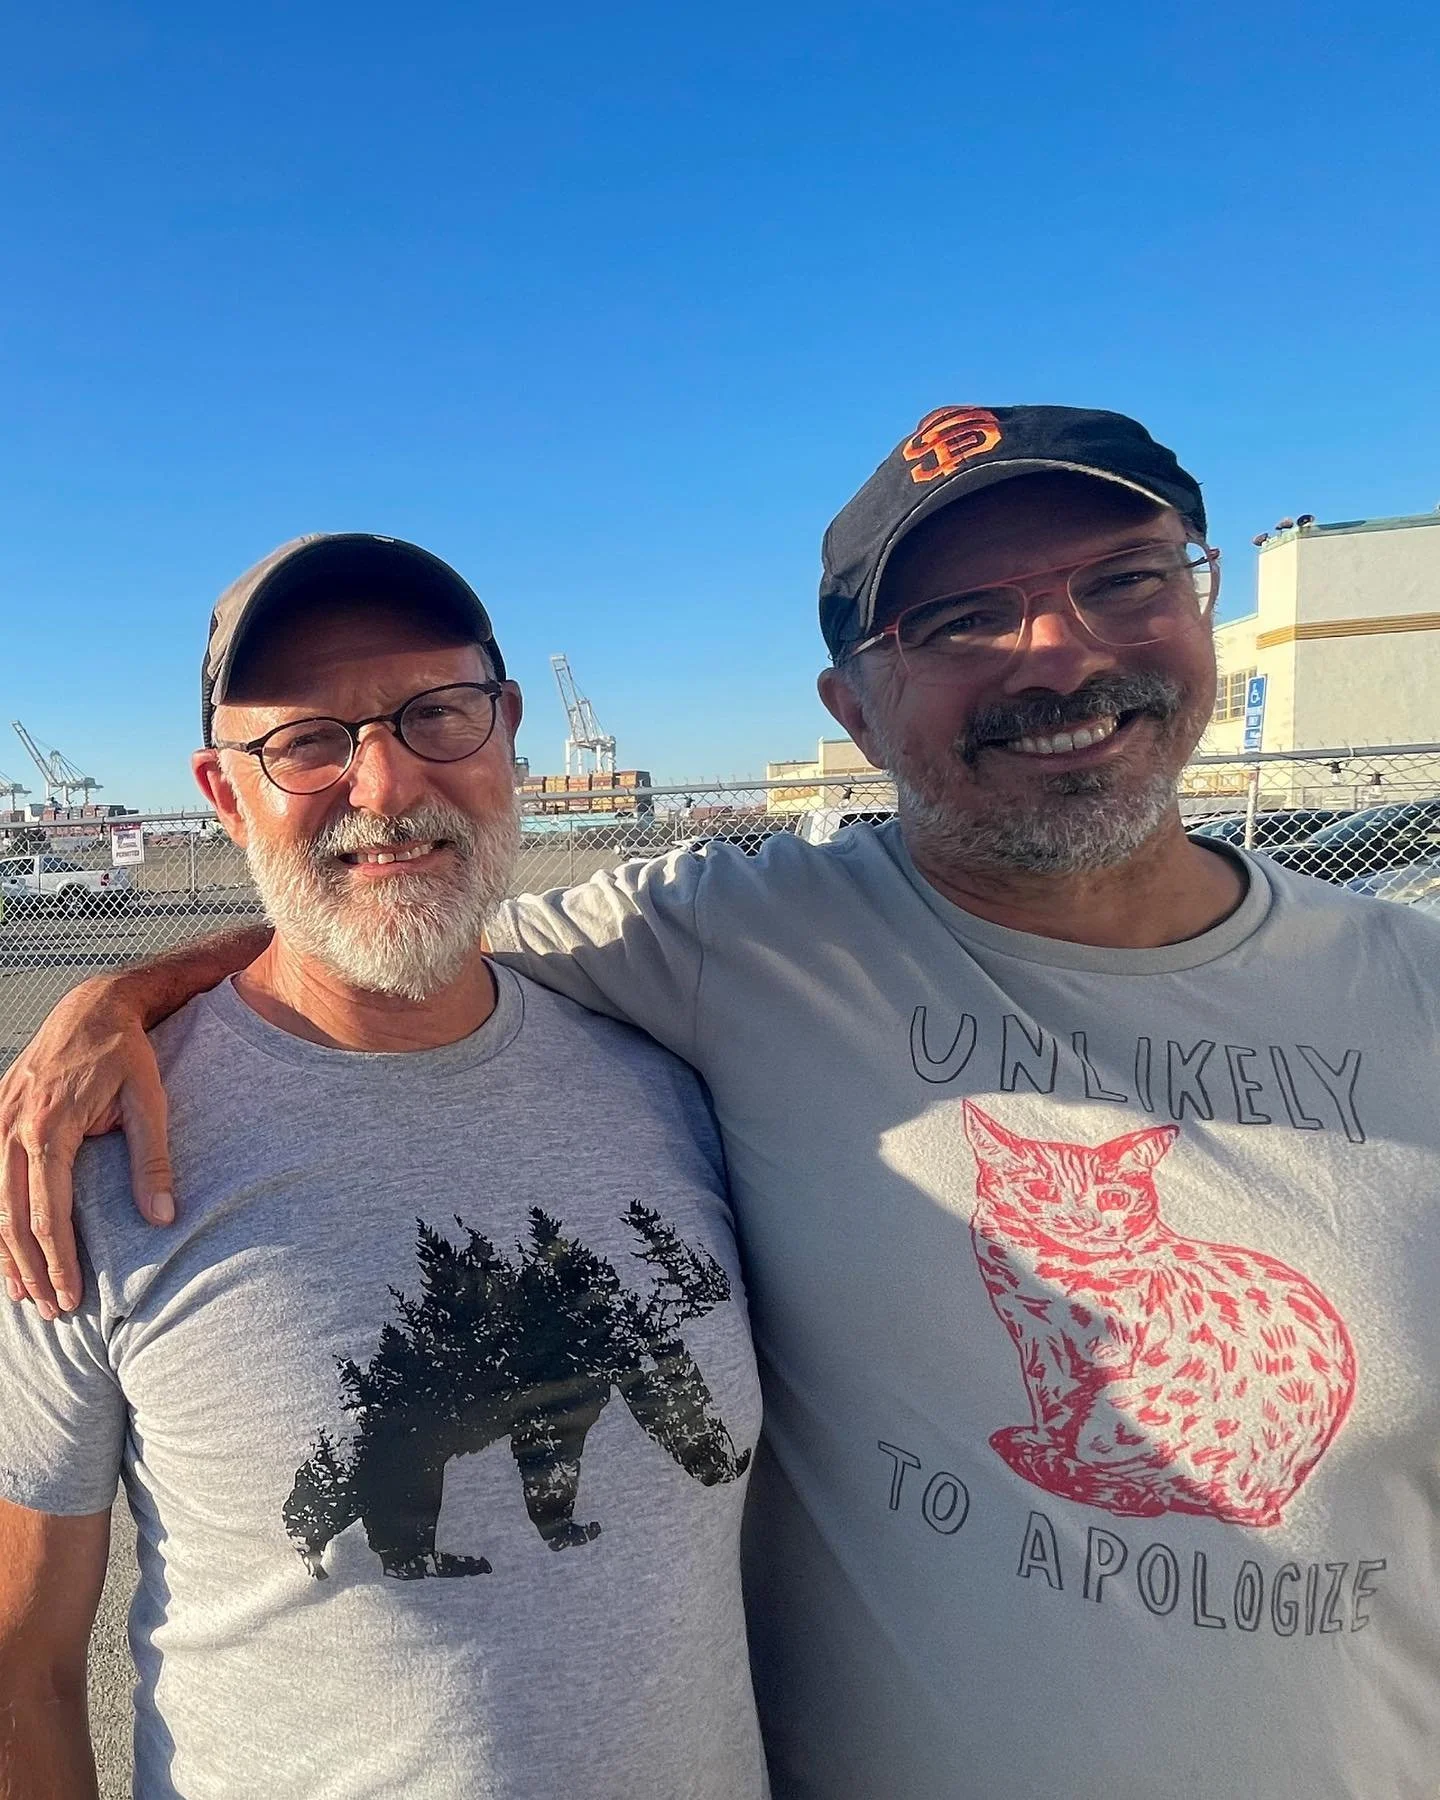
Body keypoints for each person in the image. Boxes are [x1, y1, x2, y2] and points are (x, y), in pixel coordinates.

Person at [4, 406, 1438, 1798]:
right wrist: (114, 1003)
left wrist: (121, 992)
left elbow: (420, 906)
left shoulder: (1412, 992)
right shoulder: (740, 948)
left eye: (1121, 581)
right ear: (852, 710)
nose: (1057, 649)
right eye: (958, 620)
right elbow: (389, 925)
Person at [0, 534, 766, 1800]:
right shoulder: (83, 1162)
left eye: (438, 712)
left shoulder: (674, 1086)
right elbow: (20, 1668)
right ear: (224, 791)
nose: (385, 779)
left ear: (507, 731)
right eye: (307, 739)